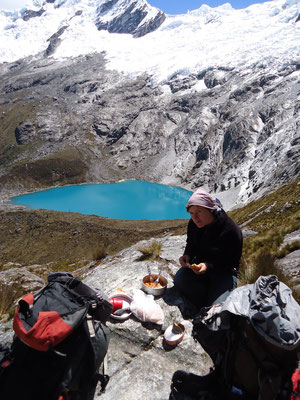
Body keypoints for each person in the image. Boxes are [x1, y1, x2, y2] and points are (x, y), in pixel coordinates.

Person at [174, 187, 243, 310]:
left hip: (223, 273)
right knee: (179, 279)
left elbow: (231, 261)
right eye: (191, 213)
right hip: (200, 266)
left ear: (211, 210)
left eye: (199, 212)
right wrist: (187, 254)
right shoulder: (193, 224)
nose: (195, 218)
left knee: (218, 308)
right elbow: (191, 242)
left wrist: (208, 266)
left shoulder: (231, 230)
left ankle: (209, 300)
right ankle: (203, 301)